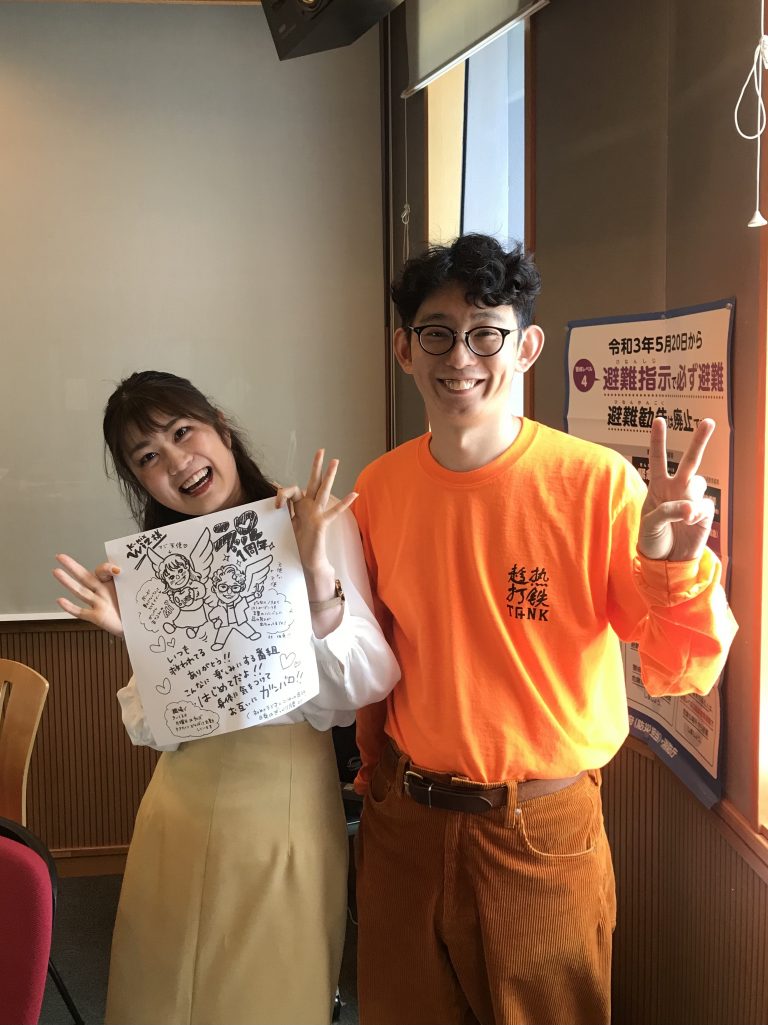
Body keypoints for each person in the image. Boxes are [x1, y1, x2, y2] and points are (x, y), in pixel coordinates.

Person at [351, 234, 738, 1025]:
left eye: (486, 332)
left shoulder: (595, 484)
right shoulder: (379, 488)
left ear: (526, 348)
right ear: (404, 348)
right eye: (437, 332)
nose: (461, 356)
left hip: (539, 830)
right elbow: (377, 655)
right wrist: (373, 775)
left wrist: (675, 567)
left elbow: (681, 669)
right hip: (405, 819)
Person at [53, 370, 400, 1025]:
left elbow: (364, 684)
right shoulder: (158, 565)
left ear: (220, 427)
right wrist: (135, 635)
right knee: (159, 996)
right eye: (147, 457)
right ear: (138, 481)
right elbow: (155, 729)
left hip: (283, 804)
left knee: (267, 996)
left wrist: (315, 571)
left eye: (182, 432)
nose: (176, 461)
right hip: (178, 806)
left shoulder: (310, 519)